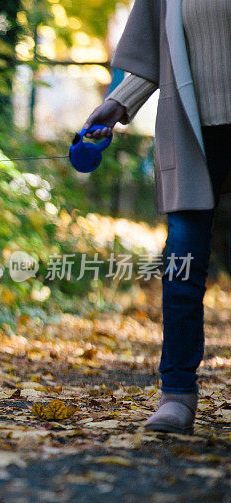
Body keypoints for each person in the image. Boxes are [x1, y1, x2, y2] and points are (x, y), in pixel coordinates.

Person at [82, 0, 230, 435]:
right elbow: (151, 54)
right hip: (190, 128)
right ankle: (177, 395)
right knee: (182, 265)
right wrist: (116, 105)